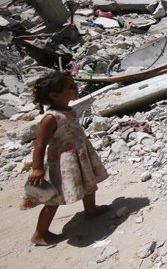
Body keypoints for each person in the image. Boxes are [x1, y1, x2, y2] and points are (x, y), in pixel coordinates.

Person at [21, 72, 110, 246]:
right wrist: (37, 169)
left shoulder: (69, 109)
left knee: (89, 182)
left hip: (80, 155)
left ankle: (91, 210)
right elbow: (40, 146)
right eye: (70, 87)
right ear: (54, 95)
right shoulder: (50, 118)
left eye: (74, 85)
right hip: (62, 163)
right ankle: (40, 233)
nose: (75, 89)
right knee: (53, 198)